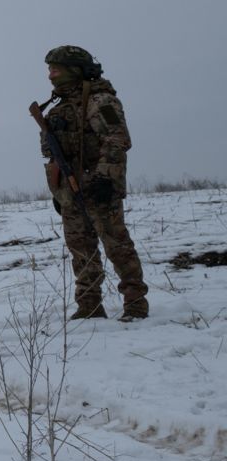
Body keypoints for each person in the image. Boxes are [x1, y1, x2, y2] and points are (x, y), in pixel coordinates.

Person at [38, 46, 148, 321]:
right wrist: (58, 188)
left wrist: (104, 179)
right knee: (80, 247)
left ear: (74, 70)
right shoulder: (59, 107)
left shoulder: (100, 101)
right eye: (49, 69)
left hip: (99, 186)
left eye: (56, 68)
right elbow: (53, 154)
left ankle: (135, 303)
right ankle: (89, 306)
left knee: (116, 245)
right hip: (70, 190)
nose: (50, 75)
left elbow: (117, 140)